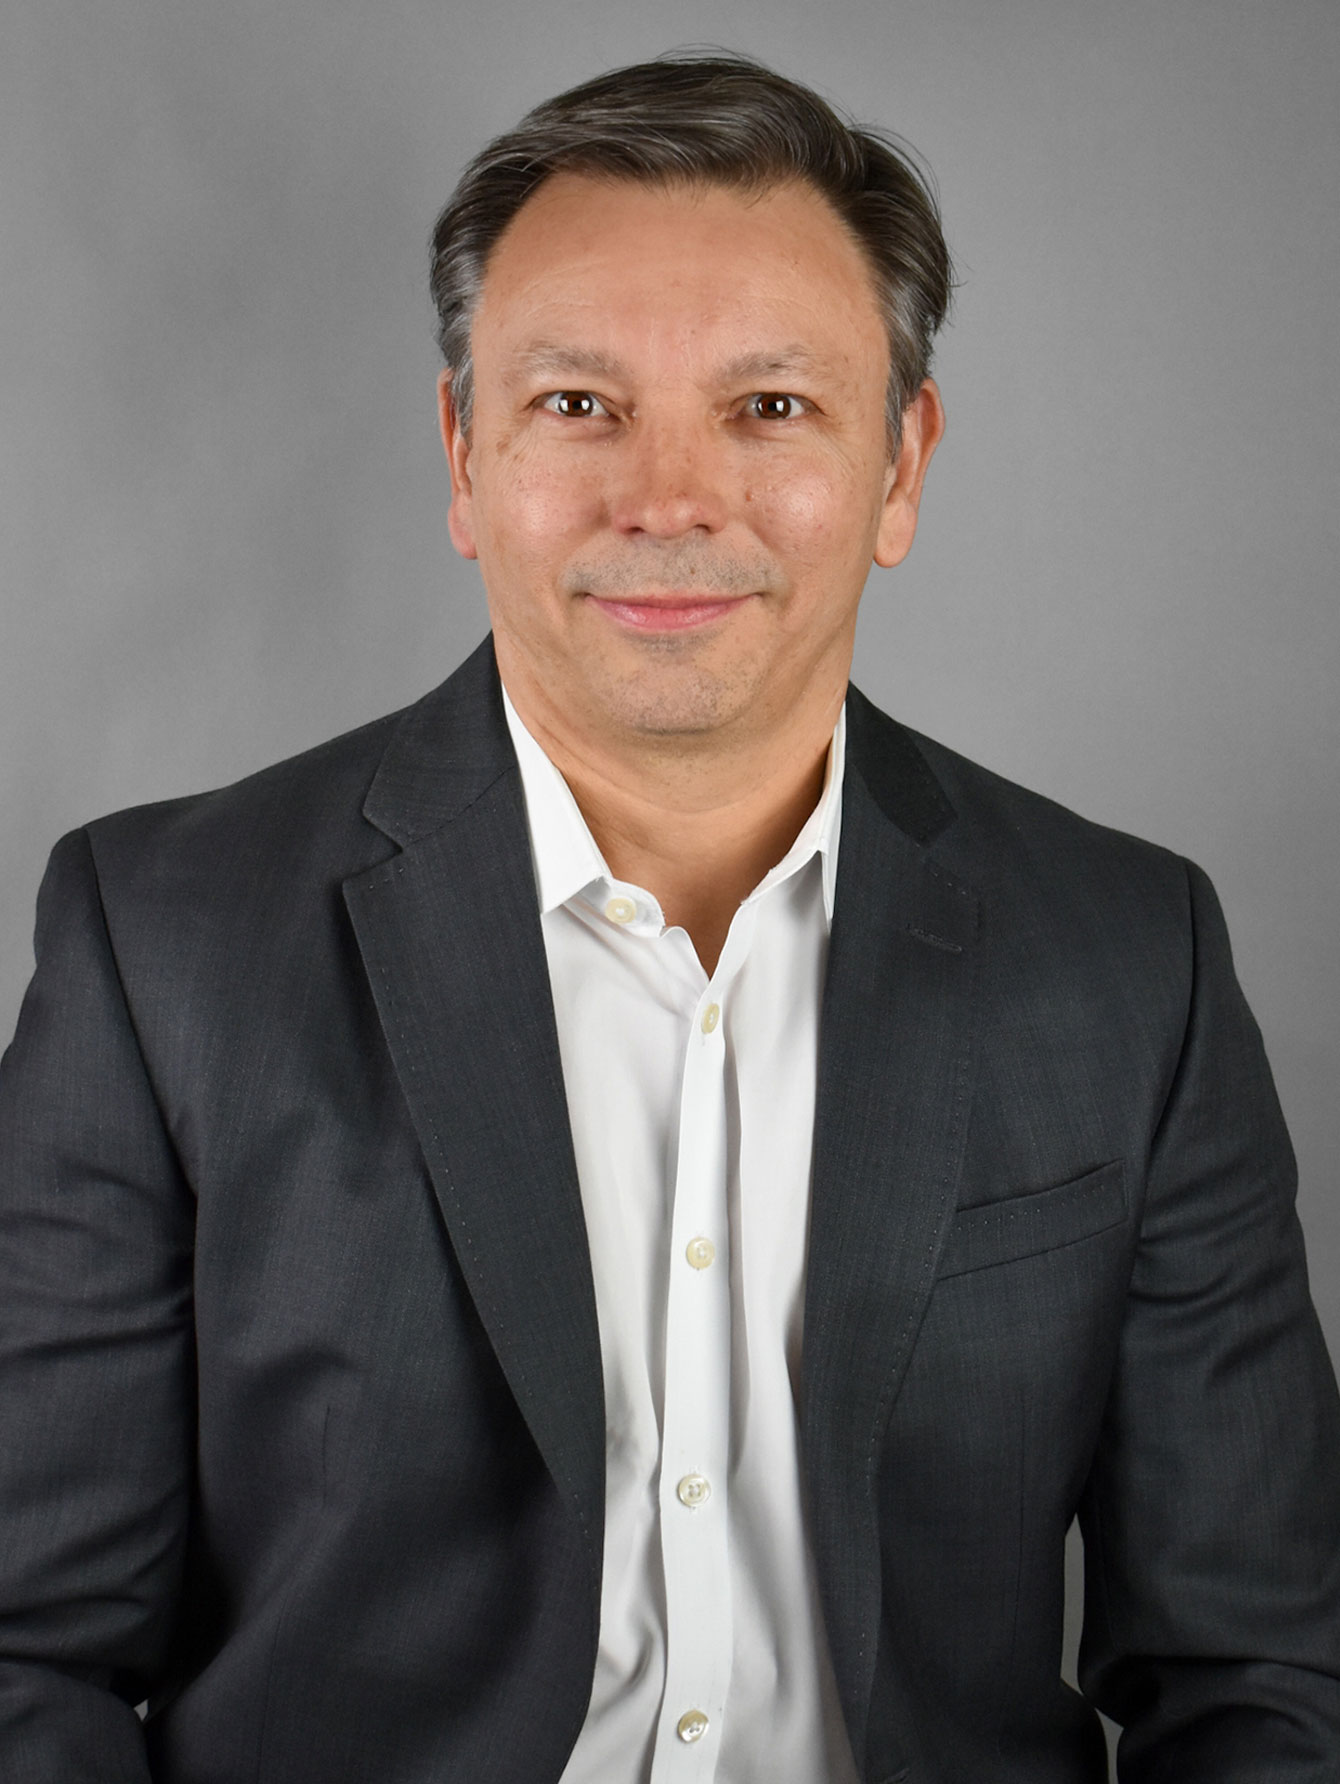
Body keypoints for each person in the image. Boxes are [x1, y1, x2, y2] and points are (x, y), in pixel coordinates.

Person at [0, 51, 1337, 1784]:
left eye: (770, 407)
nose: (669, 500)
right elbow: (26, 1650)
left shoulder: (1133, 961)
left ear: (901, 463)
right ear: (464, 453)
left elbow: (1263, 1675)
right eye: (579, 404)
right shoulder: (162, 945)